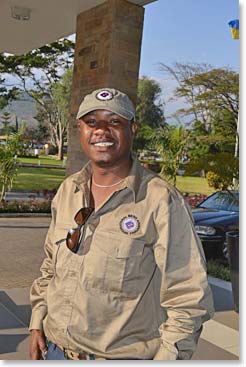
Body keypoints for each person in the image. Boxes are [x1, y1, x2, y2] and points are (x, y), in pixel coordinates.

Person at [29, 87, 214, 360]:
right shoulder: (69, 190)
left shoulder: (161, 201)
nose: (101, 130)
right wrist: (37, 321)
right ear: (80, 129)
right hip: (54, 350)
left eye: (114, 121)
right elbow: (50, 266)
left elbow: (188, 296)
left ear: (133, 129)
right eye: (92, 122)